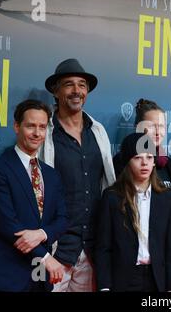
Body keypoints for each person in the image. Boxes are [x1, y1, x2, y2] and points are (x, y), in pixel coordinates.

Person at [39, 58, 116, 292]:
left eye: (82, 85)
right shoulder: (46, 132)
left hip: (92, 248)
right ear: (56, 91)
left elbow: (108, 184)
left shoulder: (98, 130)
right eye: (69, 84)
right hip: (57, 248)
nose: (76, 91)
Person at [0, 99, 67, 292]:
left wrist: (42, 233)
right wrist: (46, 258)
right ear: (16, 126)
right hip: (8, 278)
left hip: (40, 280)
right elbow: (7, 224)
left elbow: (62, 219)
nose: (37, 133)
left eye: (42, 127)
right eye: (30, 126)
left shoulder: (51, 174)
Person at [95, 133, 171, 291]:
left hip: (157, 279)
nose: (144, 163)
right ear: (128, 162)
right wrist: (104, 287)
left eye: (149, 157)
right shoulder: (112, 197)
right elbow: (103, 247)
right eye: (137, 158)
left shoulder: (166, 197)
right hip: (123, 279)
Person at [113, 98, 171, 194]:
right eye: (151, 126)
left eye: (161, 126)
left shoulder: (166, 163)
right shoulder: (123, 162)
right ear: (137, 127)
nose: (157, 132)